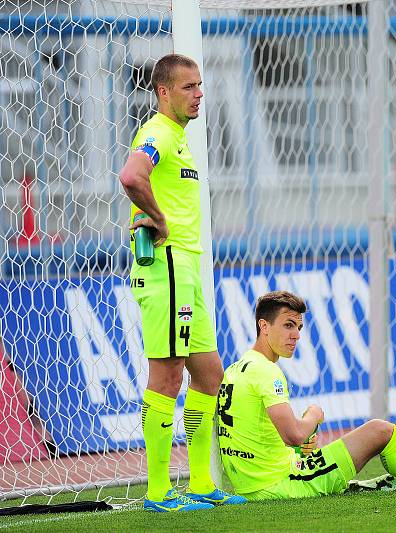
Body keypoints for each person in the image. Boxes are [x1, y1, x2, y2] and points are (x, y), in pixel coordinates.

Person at [119, 54, 244, 511]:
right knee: (168, 375)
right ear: (163, 92)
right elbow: (131, 176)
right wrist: (156, 217)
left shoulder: (180, 138)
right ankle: (156, 492)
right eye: (188, 87)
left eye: (200, 85)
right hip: (166, 266)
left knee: (209, 373)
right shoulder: (156, 132)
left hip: (187, 269)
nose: (198, 94)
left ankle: (201, 483)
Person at [215, 290, 396, 500]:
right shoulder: (267, 372)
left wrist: (298, 448)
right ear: (264, 326)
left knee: (320, 452)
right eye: (288, 325)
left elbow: (261, 435)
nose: (296, 335)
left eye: (299, 327)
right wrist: (313, 415)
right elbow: (294, 435)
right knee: (381, 431)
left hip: (256, 484)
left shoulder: (235, 369)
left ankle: (358, 486)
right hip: (283, 486)